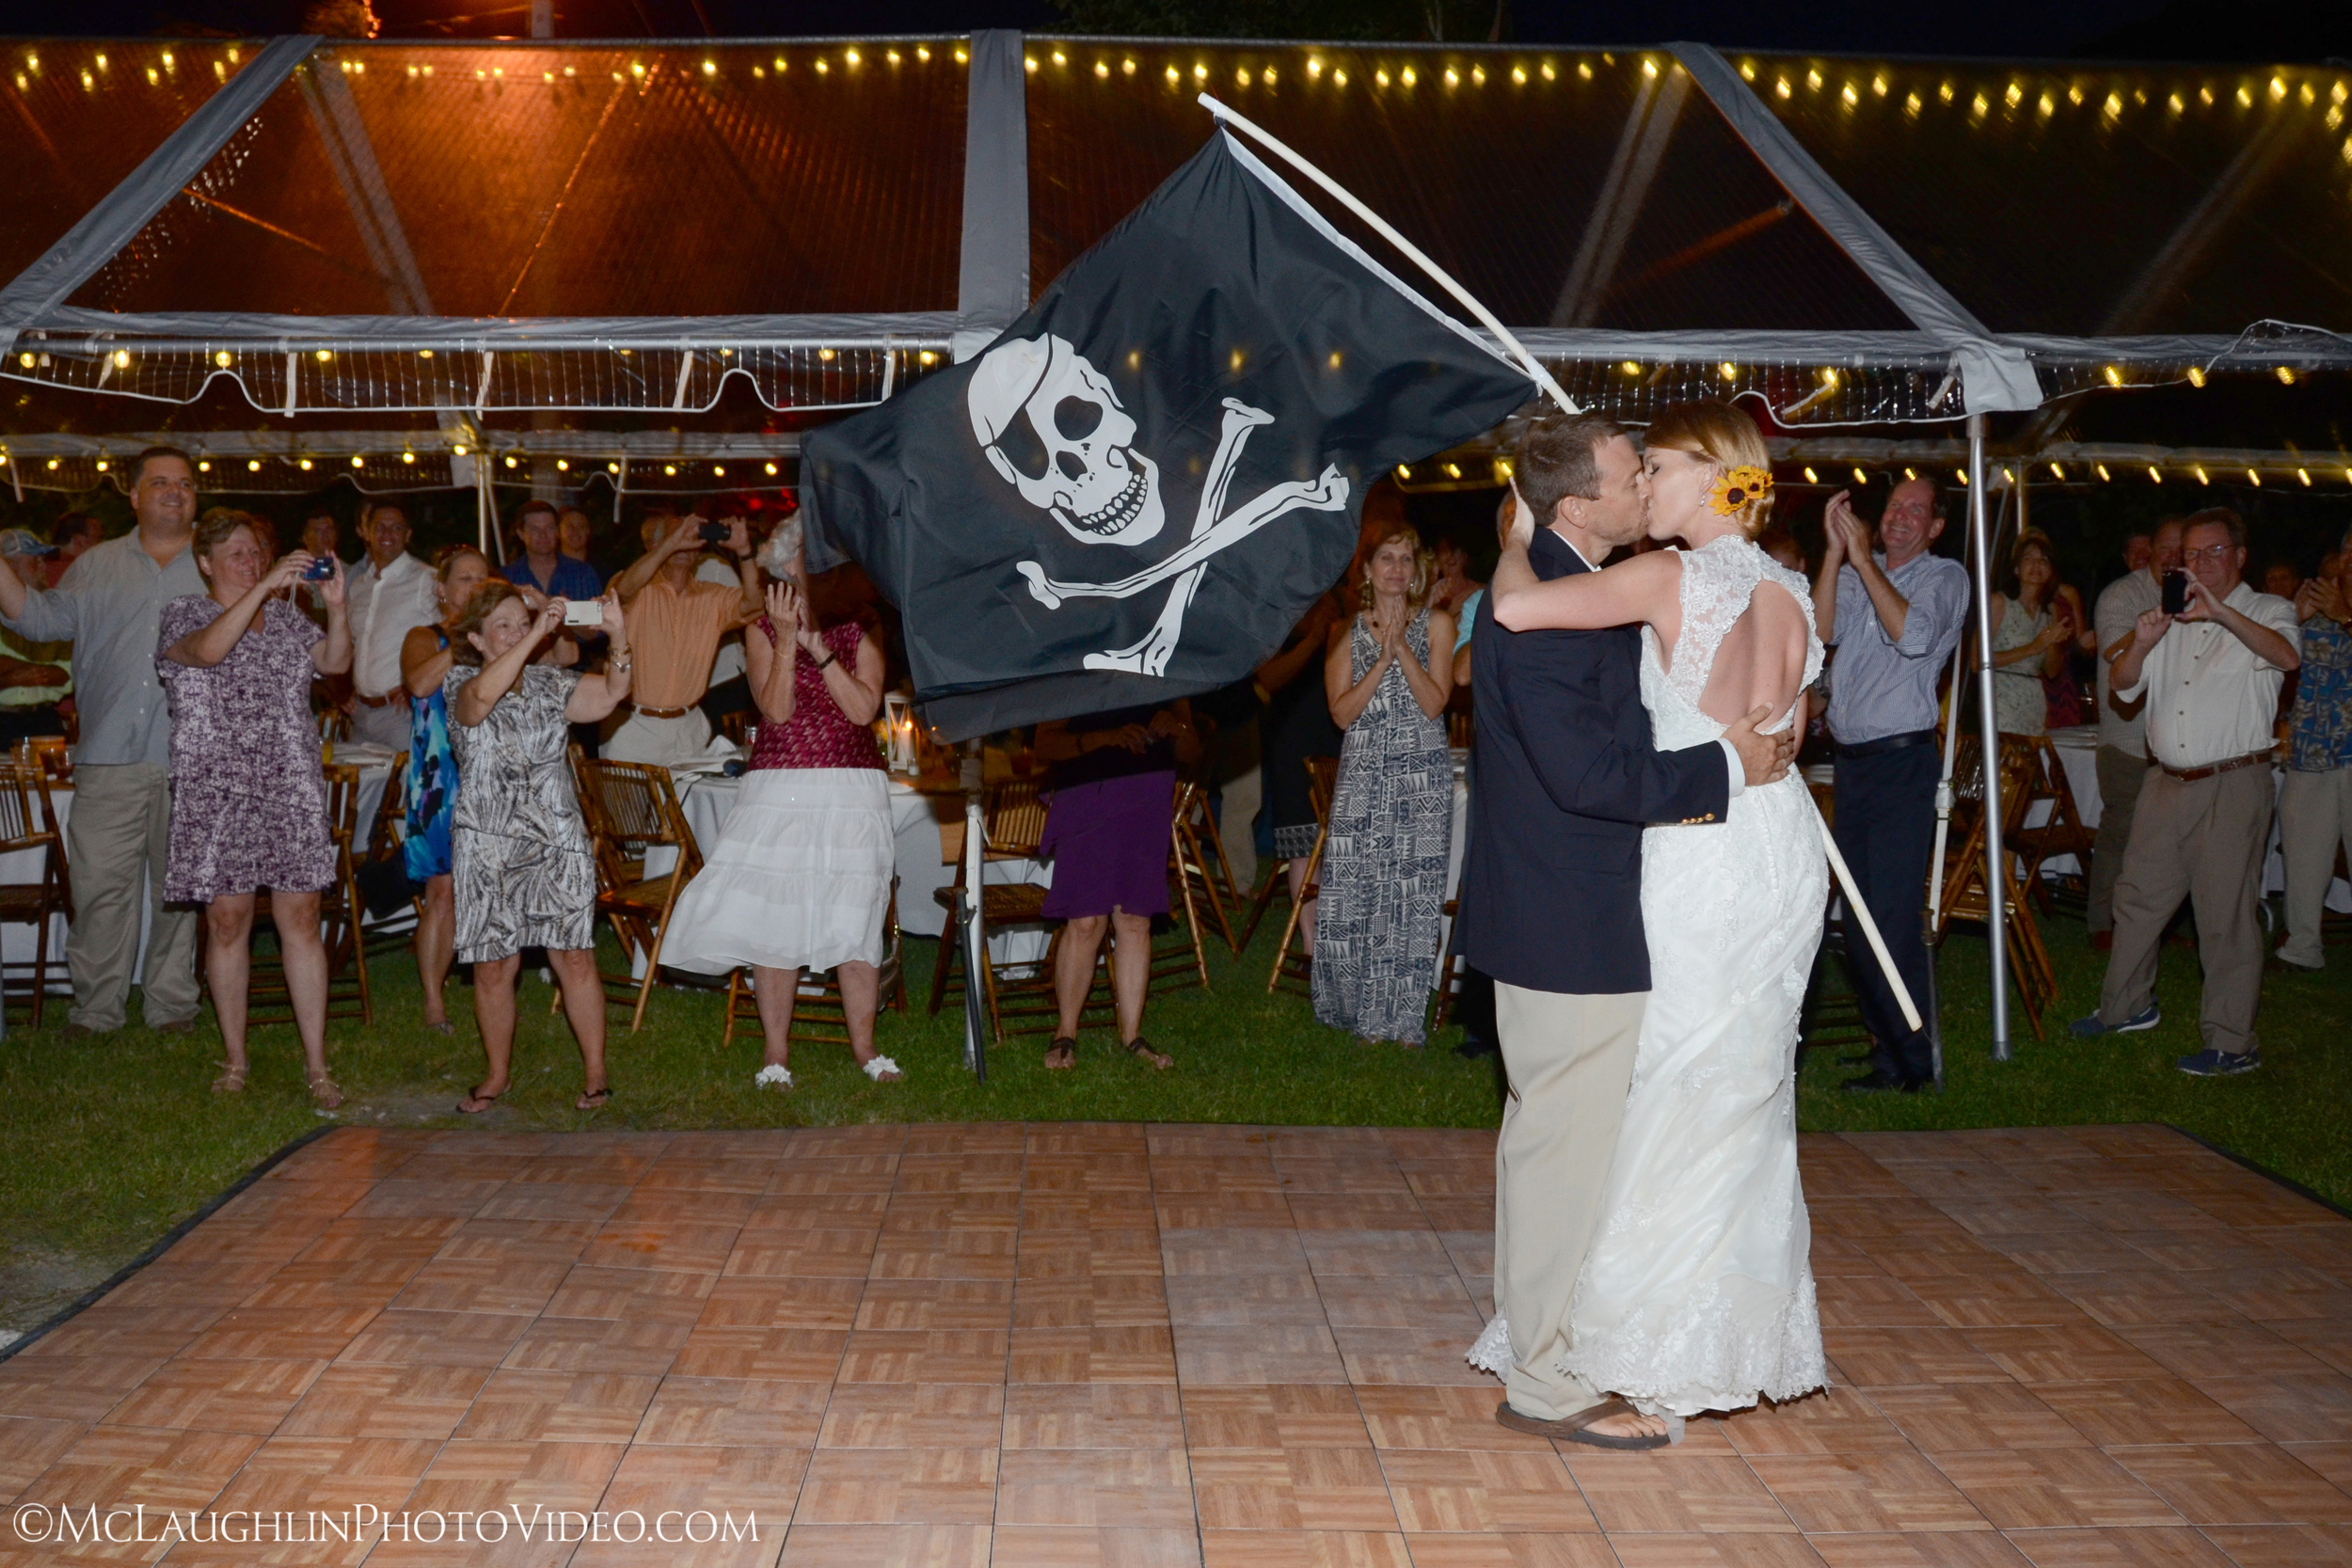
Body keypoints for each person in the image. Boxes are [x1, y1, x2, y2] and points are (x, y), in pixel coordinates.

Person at [1471, 397, 1824, 1435]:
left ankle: (1610, 1331)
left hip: (1690, 865)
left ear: (1715, 478)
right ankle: (1660, 1336)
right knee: (1728, 1099)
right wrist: (1733, 756)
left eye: (1653, 466)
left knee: (1655, 1100)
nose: (1642, 483)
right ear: (1581, 499)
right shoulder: (1790, 585)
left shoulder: (1648, 579)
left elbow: (1513, 610)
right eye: (1634, 471)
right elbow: (1782, 724)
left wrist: (1513, 546)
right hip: (1769, 850)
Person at [660, 523, 902, 1086]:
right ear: (785, 564)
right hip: (781, 784)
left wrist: (822, 655)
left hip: (851, 783)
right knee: (776, 914)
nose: (818, 561)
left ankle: (865, 1049)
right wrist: (791, 639)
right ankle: (775, 1053)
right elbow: (775, 710)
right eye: (807, 553)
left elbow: (864, 710)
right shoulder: (761, 625)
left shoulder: (862, 620)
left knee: (856, 911)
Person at [2073, 508, 2300, 1075]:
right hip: (2163, 782)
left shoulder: (2267, 610)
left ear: (2240, 556)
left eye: (2212, 552)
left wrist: (2220, 613)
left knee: (2224, 914)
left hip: (2230, 782)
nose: (2198, 564)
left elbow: (2287, 657)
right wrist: (2144, 643)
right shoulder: (2169, 616)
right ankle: (2125, 1008)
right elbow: (2123, 686)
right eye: (2191, 555)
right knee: (2136, 898)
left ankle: (2230, 1040)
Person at [0, 447, 207, 1036]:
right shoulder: (95, 565)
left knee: (179, 892)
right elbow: (37, 622)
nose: (175, 492)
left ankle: (171, 1006)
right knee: (97, 889)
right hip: (108, 755)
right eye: (161, 482)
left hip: (191, 757)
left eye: (186, 484)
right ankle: (96, 1010)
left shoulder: (219, 565)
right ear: (134, 495)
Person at [156, 511, 352, 1108]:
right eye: (236, 553)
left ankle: (317, 1063)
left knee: (300, 918)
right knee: (228, 921)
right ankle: (235, 1057)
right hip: (217, 788)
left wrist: (338, 607)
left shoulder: (289, 617)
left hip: (289, 782)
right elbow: (211, 652)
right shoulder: (185, 614)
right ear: (206, 563)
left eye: (257, 552)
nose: (251, 562)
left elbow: (338, 664)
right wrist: (263, 591)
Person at [446, 581, 632, 1114]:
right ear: (477, 640)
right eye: (502, 625)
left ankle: (595, 1074)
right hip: (488, 844)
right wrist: (536, 639)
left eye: (520, 621)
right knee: (492, 966)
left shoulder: (553, 685)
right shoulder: (460, 681)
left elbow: (613, 694)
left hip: (555, 838)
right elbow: (481, 702)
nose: (516, 631)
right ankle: (497, 1074)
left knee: (574, 956)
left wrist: (618, 636)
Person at [1811, 476, 1970, 1093]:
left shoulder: (1944, 577)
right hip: (1853, 766)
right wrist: (1833, 553)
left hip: (1903, 766)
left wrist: (1861, 564)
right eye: (1894, 506)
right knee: (1855, 919)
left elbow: (1915, 636)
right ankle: (1888, 1050)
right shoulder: (1856, 568)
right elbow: (1822, 633)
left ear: (1933, 527)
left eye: (1916, 510)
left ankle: (1914, 1059)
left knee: (1892, 919)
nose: (1901, 516)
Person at [1313, 524, 1455, 1047]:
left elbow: (1435, 703)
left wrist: (1405, 650)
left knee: (1411, 896)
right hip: (1364, 774)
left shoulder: (1439, 624)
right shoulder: (1343, 631)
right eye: (1386, 559)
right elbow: (1342, 713)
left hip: (1420, 779)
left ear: (1416, 571)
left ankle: (1398, 1018)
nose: (1396, 569)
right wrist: (1381, 656)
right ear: (1368, 572)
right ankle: (1352, 1008)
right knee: (1355, 894)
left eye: (1405, 560)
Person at [1031, 701, 1197, 1072]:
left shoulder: (1164, 662)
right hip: (1089, 790)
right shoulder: (1080, 654)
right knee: (1086, 921)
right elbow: (1045, 744)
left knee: (1136, 920)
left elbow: (1193, 750)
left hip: (1147, 793)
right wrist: (1106, 737)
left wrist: (1177, 729)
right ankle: (1065, 1032)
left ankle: (1132, 1036)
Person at [399, 546, 492, 1034]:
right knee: (444, 891)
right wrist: (463, 640)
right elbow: (417, 683)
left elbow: (566, 656)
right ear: (441, 589)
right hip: (441, 778)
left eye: (483, 579)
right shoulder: (424, 636)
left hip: (493, 774)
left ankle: (491, 986)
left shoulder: (500, 639)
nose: (475, 588)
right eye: (464, 580)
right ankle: (434, 1001)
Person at [2090, 518, 2185, 949]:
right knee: (2119, 837)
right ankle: (2102, 926)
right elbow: (2113, 652)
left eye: (2179, 550)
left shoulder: (2198, 594)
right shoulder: (2121, 595)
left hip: (2177, 741)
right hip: (2128, 740)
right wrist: (2161, 616)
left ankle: (2157, 928)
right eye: (2165, 548)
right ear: (2150, 550)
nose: (2171, 557)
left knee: (2169, 844)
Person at [607, 511, 760, 768]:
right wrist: (671, 544)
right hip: (632, 729)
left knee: (689, 808)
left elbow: (755, 604)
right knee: (628, 809)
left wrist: (744, 551)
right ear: (654, 545)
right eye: (676, 535)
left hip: (689, 730)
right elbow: (620, 593)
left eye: (693, 537)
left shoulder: (711, 596)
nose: (687, 542)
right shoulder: (635, 588)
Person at [1255, 588, 1347, 944]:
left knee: (1337, 845)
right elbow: (1267, 681)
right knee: (1302, 845)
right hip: (1292, 747)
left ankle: (1338, 934)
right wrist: (1313, 639)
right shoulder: (1279, 633)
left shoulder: (1344, 629)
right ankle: (1310, 943)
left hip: (1337, 741)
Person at [2278, 534, 2352, 973]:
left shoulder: (2339, 613)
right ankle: (2302, 946)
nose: (2348, 560)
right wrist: (2292, 617)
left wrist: (2347, 618)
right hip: (2310, 750)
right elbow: (2274, 665)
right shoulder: (2315, 612)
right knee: (2303, 856)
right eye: (2345, 551)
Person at [342, 502, 440, 751]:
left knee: (404, 788)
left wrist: (411, 684)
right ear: (367, 533)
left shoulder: (425, 579)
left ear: (408, 535)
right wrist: (344, 687)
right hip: (360, 714)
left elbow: (451, 632)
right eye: (380, 527)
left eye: (396, 528)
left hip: (400, 714)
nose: (387, 535)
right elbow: (353, 644)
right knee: (361, 789)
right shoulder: (358, 586)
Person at [1986, 528, 2072, 736]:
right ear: (2016, 568)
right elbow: (1976, 661)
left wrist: (2053, 643)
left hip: (2034, 702)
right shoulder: (1999, 603)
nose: (2036, 565)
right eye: (2028, 559)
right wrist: (2033, 648)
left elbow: (2052, 671)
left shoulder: (2050, 610)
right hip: (2000, 702)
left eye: (2043, 560)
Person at [0, 530, 72, 742]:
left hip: (45, 719)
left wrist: (10, 671)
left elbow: (68, 672)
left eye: (43, 561)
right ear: (9, 568)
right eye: (34, 562)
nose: (43, 568)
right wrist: (8, 680)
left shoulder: (54, 610)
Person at [501, 499, 604, 605]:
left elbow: (598, 616)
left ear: (557, 531)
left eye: (549, 528)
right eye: (535, 530)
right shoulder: (507, 578)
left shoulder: (583, 574)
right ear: (521, 534)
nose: (543, 535)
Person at [1428, 531, 1484, 619]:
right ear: (1437, 560)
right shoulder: (1431, 595)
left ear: (1465, 557)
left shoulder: (1480, 590)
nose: (1450, 556)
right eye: (1444, 551)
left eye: (1455, 550)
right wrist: (1450, 613)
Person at [46, 513, 103, 589]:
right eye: (98, 538)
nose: (101, 544)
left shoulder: (40, 569)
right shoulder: (82, 573)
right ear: (80, 541)